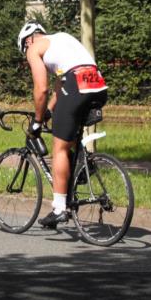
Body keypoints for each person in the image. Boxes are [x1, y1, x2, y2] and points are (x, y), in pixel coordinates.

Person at [17, 22, 108, 228]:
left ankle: (59, 209)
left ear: (28, 40)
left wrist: (37, 122)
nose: (27, 53)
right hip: (98, 85)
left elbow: (41, 89)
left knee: (60, 148)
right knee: (70, 135)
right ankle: (83, 167)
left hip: (76, 85)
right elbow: (61, 84)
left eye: (25, 49)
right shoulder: (62, 38)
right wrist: (49, 111)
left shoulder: (34, 47)